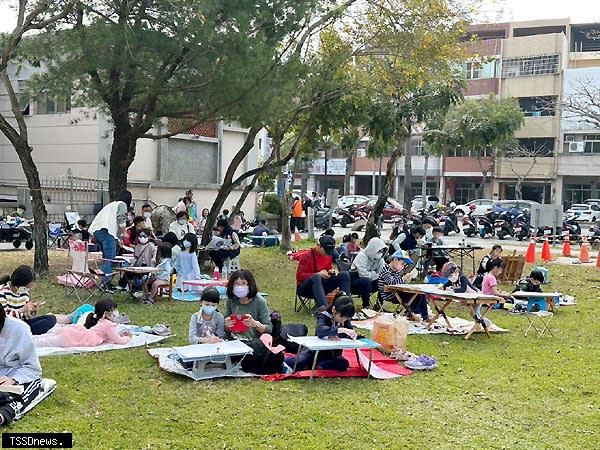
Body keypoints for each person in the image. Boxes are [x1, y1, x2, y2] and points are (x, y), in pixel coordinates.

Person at [285, 293, 357, 372]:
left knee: (343, 364)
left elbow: (347, 334)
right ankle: (280, 363)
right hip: (315, 353)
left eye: (346, 318)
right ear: (334, 310)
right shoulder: (323, 315)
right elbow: (320, 331)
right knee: (301, 361)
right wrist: (340, 330)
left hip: (333, 355)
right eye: (342, 317)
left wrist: (351, 335)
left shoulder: (345, 319)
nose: (344, 320)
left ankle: (320, 366)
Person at [0, 308, 42, 427]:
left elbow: (32, 368)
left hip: (16, 374)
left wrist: (13, 380)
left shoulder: (19, 329)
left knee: (23, 389)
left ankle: (4, 414)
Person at [32, 299, 132, 348]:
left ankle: (24, 340)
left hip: (72, 331)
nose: (116, 312)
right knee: (43, 342)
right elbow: (119, 341)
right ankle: (22, 344)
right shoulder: (108, 325)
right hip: (73, 337)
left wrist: (118, 335)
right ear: (106, 314)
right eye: (114, 310)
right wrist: (128, 337)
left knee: (44, 338)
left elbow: (110, 337)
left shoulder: (99, 321)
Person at [89, 190, 132, 292]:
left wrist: (118, 238)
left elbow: (112, 222)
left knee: (106, 258)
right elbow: (121, 220)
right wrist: (124, 232)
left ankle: (106, 282)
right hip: (106, 232)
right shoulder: (122, 205)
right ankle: (105, 284)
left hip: (98, 231)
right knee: (110, 258)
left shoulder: (112, 205)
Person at [295, 235, 351, 311]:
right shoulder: (306, 256)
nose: (327, 254)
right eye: (326, 251)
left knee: (345, 274)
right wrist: (317, 274)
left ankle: (344, 304)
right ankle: (323, 308)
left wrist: (331, 271)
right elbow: (299, 276)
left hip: (322, 285)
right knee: (316, 277)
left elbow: (328, 268)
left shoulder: (328, 255)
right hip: (306, 288)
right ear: (319, 246)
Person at [0, 266, 57, 335]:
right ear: (19, 283)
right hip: (9, 326)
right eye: (26, 287)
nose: (27, 290)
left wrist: (31, 309)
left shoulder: (23, 292)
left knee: (51, 319)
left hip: (22, 324)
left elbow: (25, 315)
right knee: (25, 328)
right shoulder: (2, 292)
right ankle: (23, 333)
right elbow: (4, 318)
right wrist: (21, 310)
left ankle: (25, 333)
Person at [377, 250, 429, 320]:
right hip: (390, 294)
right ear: (395, 260)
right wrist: (403, 278)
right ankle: (412, 313)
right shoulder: (386, 270)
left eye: (404, 265)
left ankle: (424, 316)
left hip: (396, 292)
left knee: (421, 294)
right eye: (402, 263)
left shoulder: (395, 271)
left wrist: (406, 280)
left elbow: (398, 283)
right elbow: (391, 282)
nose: (403, 266)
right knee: (416, 297)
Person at [224, 270, 272, 341]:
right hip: (234, 340)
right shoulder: (231, 300)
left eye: (243, 283)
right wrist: (227, 326)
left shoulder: (259, 301)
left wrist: (255, 324)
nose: (239, 287)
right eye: (236, 284)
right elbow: (225, 326)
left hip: (253, 342)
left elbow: (269, 329)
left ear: (250, 285)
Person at [350, 237, 388, 308]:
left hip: (369, 282)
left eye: (382, 252)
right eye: (379, 251)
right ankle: (366, 305)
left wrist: (374, 275)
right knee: (366, 281)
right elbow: (363, 274)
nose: (380, 253)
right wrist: (375, 274)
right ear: (373, 249)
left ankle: (379, 305)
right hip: (354, 282)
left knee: (383, 281)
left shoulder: (380, 260)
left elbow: (382, 273)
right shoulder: (362, 256)